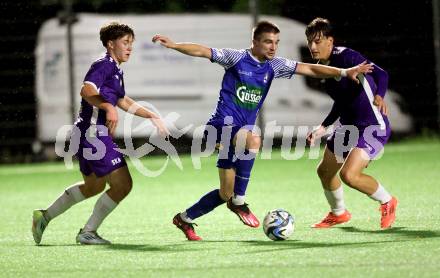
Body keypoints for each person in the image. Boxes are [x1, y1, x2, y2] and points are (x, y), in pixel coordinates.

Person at [152, 20, 373, 240]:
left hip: (238, 135)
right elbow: (202, 50)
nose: (273, 47)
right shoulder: (236, 58)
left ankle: (184, 218)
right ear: (255, 42)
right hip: (220, 126)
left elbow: (310, 68)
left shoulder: (274, 65)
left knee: (224, 192)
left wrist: (344, 72)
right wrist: (174, 45)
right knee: (254, 141)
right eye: (268, 42)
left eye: (276, 42)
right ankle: (239, 201)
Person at [32, 22, 169, 245]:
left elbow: (122, 100)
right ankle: (88, 233)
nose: (129, 48)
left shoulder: (115, 69)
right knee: (123, 184)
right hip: (92, 133)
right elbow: (86, 90)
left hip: (89, 133)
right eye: (125, 42)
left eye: (131, 43)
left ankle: (43, 217)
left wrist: (151, 115)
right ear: (110, 44)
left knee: (93, 186)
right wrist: (107, 107)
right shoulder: (103, 65)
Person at [305, 17, 397, 229]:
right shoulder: (321, 71)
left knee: (349, 175)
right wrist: (323, 127)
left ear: (330, 40)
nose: (313, 46)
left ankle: (388, 201)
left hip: (372, 127)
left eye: (318, 41)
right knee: (324, 172)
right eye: (310, 41)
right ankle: (339, 213)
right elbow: (341, 102)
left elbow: (382, 73)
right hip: (348, 127)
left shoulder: (346, 56)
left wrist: (380, 96)